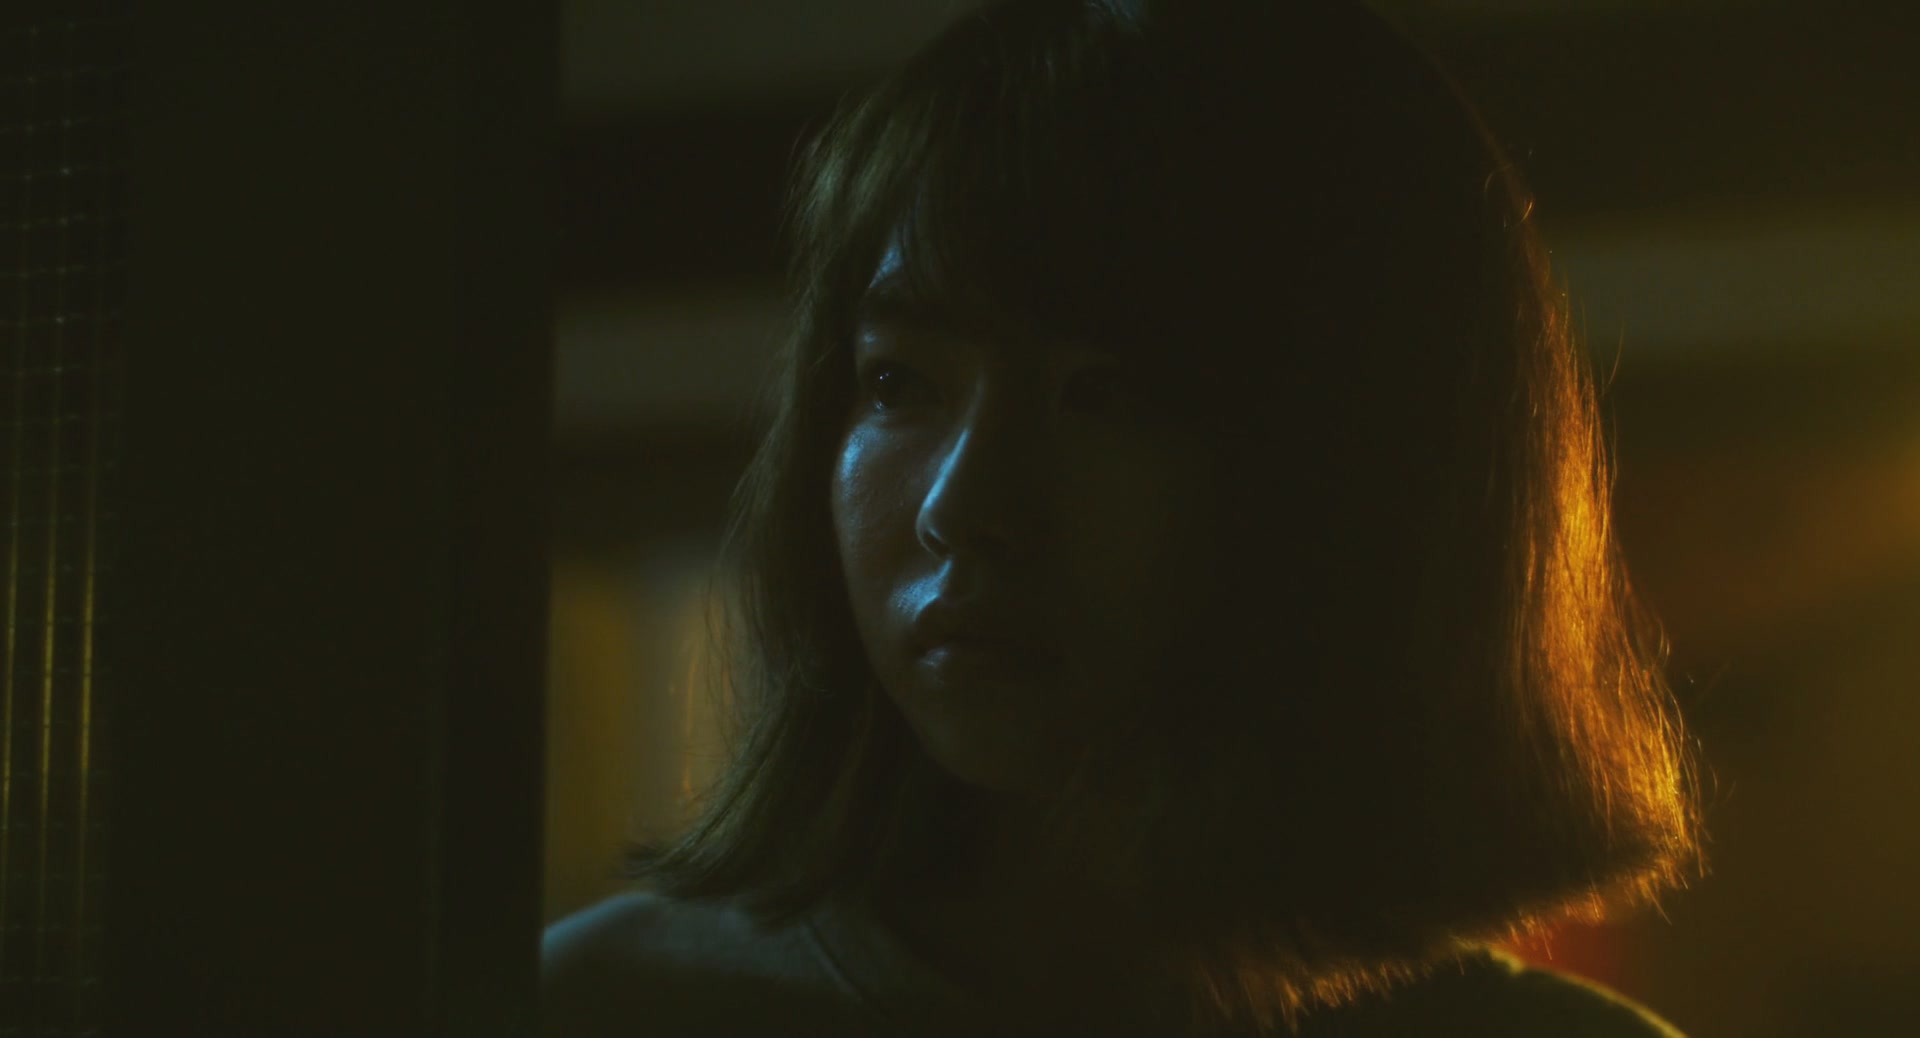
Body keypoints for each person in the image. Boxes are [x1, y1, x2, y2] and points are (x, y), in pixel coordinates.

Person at [541, 0, 1706, 1035]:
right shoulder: (587, 1012)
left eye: (1103, 394)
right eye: (898, 383)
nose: (963, 506)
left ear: (1368, 467)